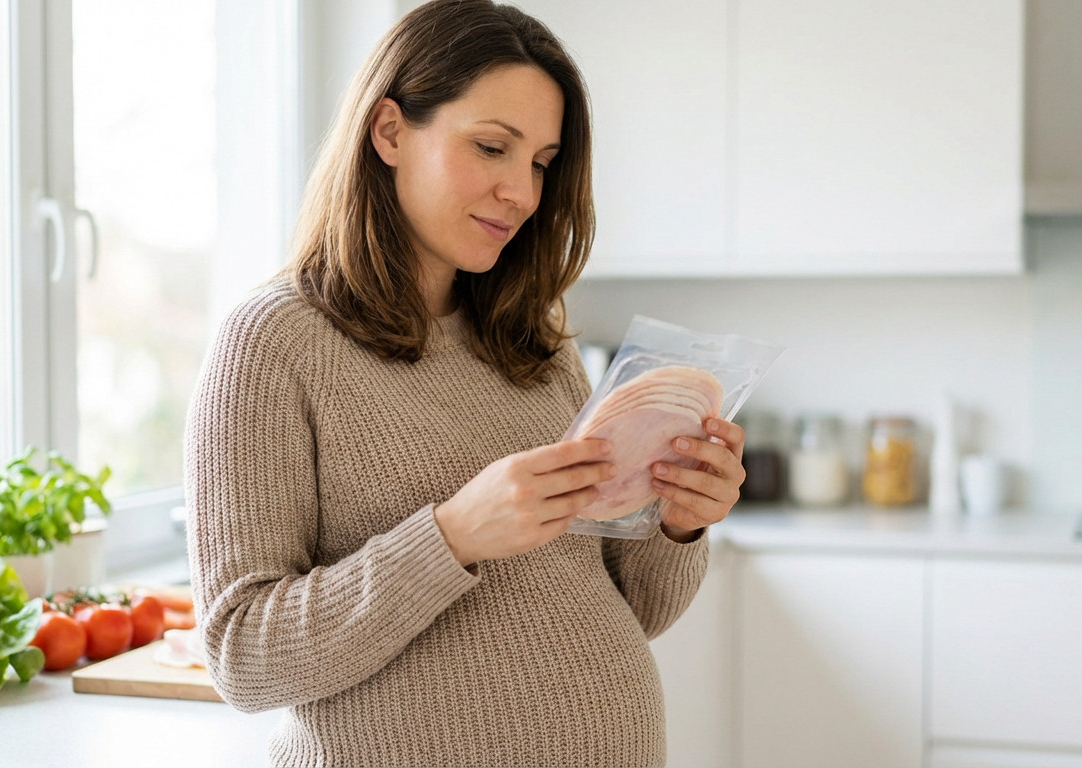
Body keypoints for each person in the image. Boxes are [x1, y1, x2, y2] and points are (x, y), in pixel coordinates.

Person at [183, 1, 746, 765]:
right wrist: (451, 537)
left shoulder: (533, 336)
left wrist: (678, 522)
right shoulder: (274, 343)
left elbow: (636, 607)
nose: (522, 192)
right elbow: (243, 656)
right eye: (491, 147)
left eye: (542, 163)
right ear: (388, 132)